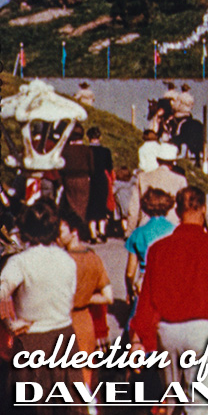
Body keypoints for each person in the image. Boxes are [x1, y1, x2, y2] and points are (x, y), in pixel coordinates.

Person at [131, 187, 208, 415]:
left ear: (177, 211)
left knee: (171, 396)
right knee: (199, 403)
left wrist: (139, 339)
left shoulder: (158, 250)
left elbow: (146, 299)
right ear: (204, 209)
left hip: (168, 331)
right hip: (203, 330)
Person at [0, 199, 78, 415]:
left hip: (31, 339)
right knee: (66, 404)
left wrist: (9, 323)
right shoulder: (67, 260)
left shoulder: (20, 262)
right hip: (64, 336)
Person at [57, 210, 113, 388]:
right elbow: (108, 297)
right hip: (85, 323)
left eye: (60, 231)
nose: (57, 236)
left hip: (61, 320)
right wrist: (85, 298)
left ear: (74, 231)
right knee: (85, 377)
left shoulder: (60, 260)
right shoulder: (93, 258)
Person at [124, 188, 176, 307]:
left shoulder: (138, 233)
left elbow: (130, 273)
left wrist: (130, 291)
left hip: (147, 280)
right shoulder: (175, 230)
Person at [126, 143, 186, 234]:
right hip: (171, 227)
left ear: (157, 160)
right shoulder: (180, 180)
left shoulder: (142, 177)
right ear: (173, 162)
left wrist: (129, 231)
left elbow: (134, 208)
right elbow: (184, 206)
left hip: (146, 226)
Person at [60, 123, 94, 223]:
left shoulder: (65, 150)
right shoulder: (87, 150)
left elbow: (61, 166)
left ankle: (73, 226)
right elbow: (92, 167)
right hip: (83, 179)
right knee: (82, 205)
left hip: (69, 179)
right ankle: (81, 227)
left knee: (71, 204)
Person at [86, 126, 113, 243]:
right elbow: (109, 167)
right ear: (100, 137)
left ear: (88, 138)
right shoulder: (106, 151)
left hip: (90, 179)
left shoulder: (86, 151)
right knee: (102, 204)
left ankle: (92, 234)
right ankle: (102, 231)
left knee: (91, 205)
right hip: (102, 179)